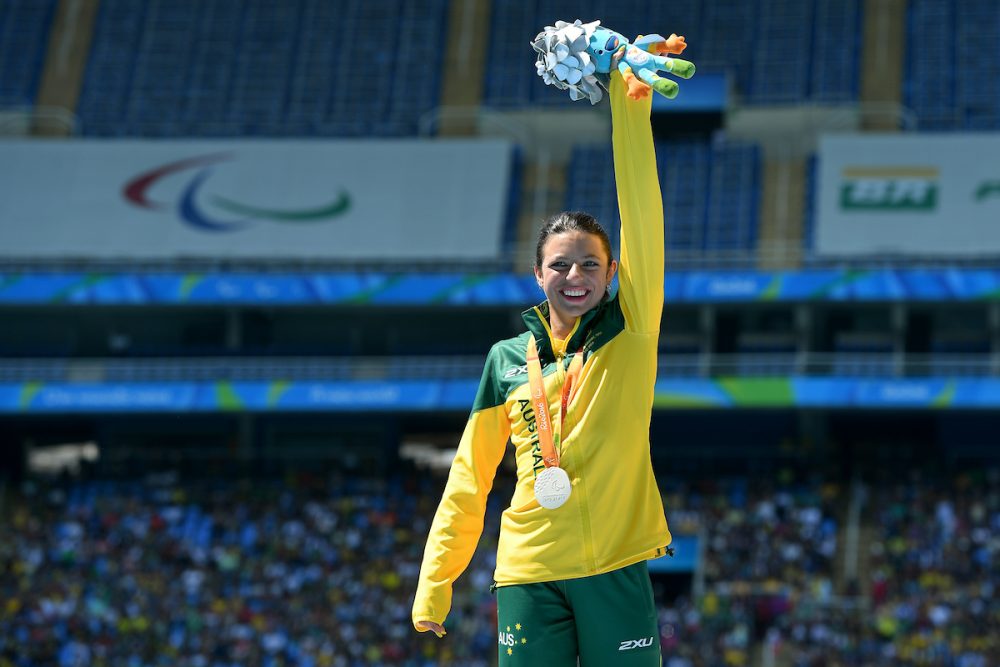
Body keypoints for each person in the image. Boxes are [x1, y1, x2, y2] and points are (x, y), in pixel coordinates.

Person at [412, 68, 672, 666]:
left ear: (612, 275)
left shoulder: (630, 329)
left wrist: (629, 106)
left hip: (614, 565)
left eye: (589, 265)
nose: (574, 276)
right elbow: (469, 476)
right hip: (527, 569)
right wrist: (436, 580)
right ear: (538, 275)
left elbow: (642, 210)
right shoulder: (506, 360)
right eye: (559, 266)